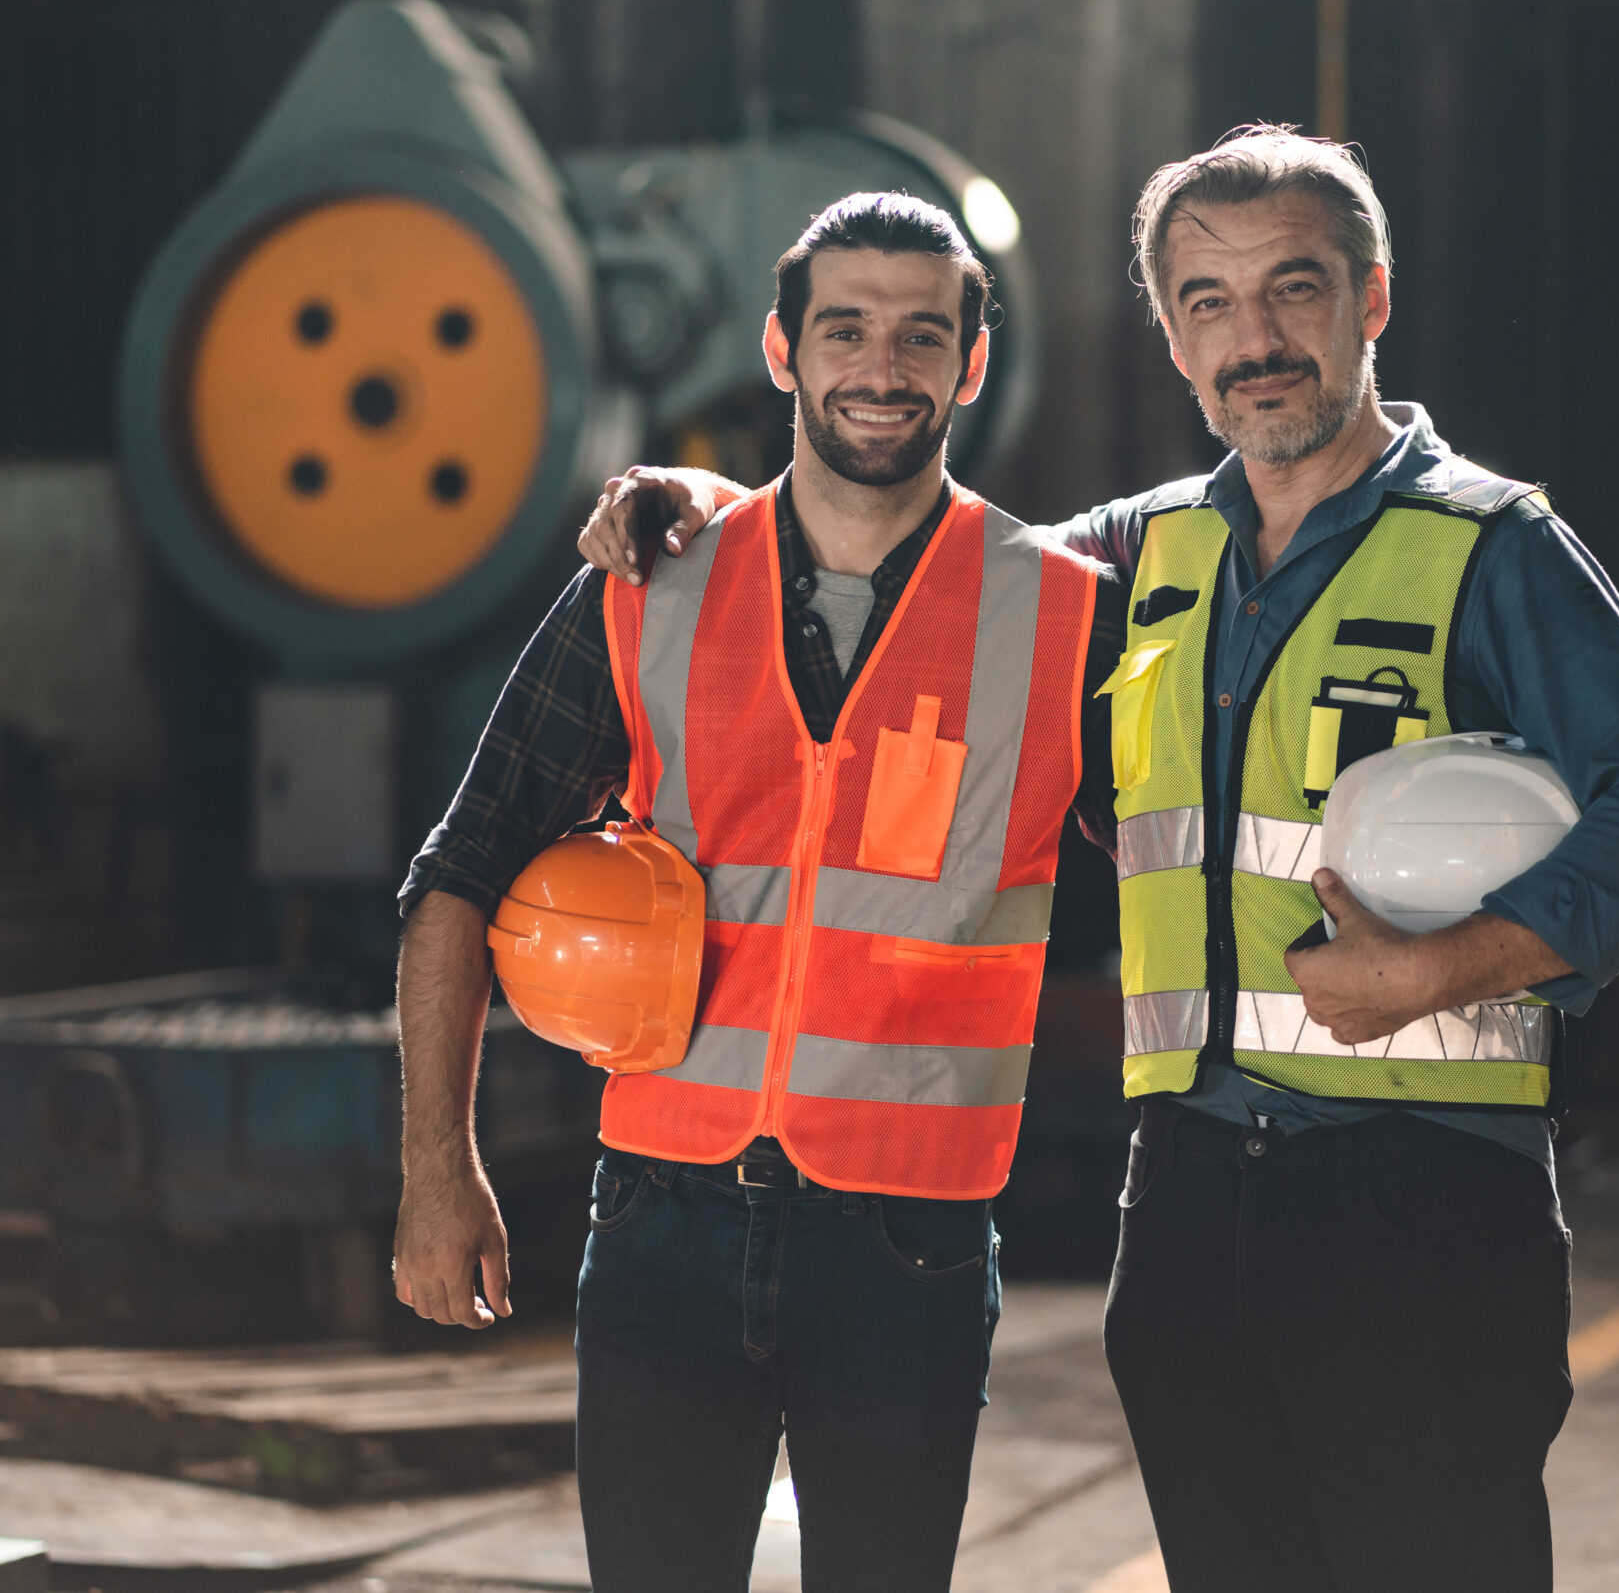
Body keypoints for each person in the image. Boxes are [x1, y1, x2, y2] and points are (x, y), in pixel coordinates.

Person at [575, 126, 1619, 1592]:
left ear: (1372, 300)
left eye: (1294, 289)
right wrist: (697, 502)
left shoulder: (1492, 547)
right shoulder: (1128, 561)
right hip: (1186, 1210)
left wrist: (1442, 968)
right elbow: (908, 558)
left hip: (1423, 1206)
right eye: (1208, 303)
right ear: (1175, 341)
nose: (1256, 341)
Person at [390, 192, 1127, 1593]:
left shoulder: (1064, 613)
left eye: (922, 336)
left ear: (973, 363)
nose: (881, 369)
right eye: (844, 330)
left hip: (909, 1243)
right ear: (782, 351)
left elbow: (1180, 875)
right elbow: (458, 876)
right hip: (661, 1218)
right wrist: (438, 1172)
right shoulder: (648, 581)